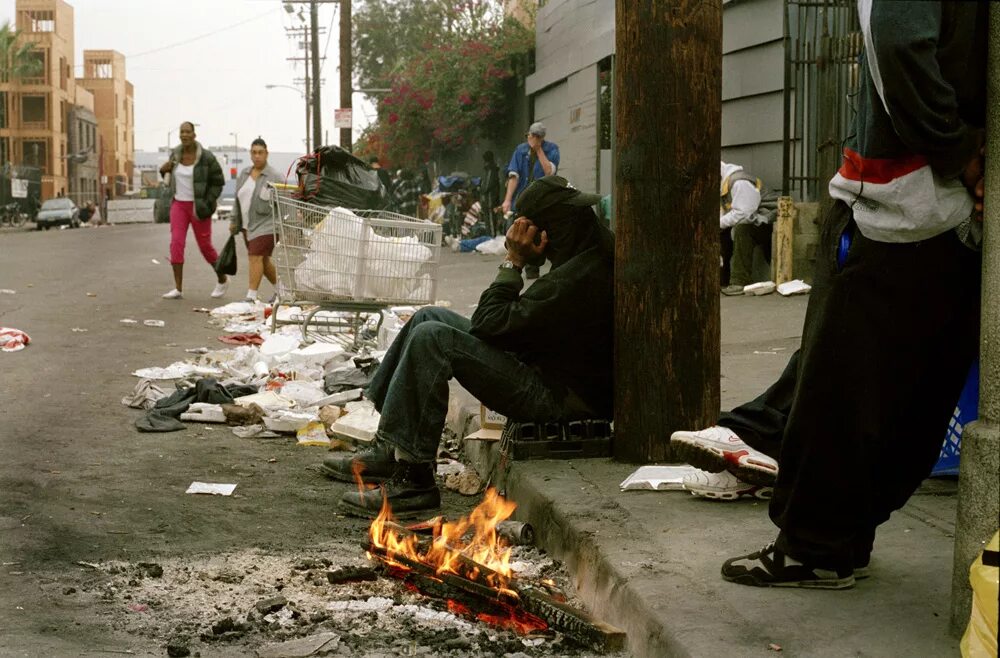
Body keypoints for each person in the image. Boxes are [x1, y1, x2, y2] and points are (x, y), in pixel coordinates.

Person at [672, 0, 986, 590]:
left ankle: (815, 543)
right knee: (902, 391)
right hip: (936, 207)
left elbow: (896, 41)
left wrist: (956, 149)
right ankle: (823, 524)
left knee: (842, 386)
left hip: (904, 205)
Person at [322, 175, 613, 518]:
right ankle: (389, 447)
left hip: (557, 399)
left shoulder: (576, 278)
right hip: (547, 371)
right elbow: (502, 326)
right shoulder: (586, 255)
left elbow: (489, 323)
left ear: (543, 233)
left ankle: (414, 483)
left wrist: (514, 261)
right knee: (427, 317)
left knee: (434, 339)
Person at [159, 121, 228, 300]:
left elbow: (218, 182)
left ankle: (222, 279)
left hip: (199, 207)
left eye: (188, 132)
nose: (184, 135)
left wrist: (208, 201)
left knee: (205, 246)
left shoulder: (206, 157)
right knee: (176, 243)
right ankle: (178, 289)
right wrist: (162, 170)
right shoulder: (175, 154)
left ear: (194, 135)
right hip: (179, 204)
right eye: (182, 132)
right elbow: (167, 177)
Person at [502, 122, 560, 279]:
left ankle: (544, 269)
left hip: (543, 199)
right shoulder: (520, 150)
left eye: (534, 136)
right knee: (522, 231)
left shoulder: (552, 149)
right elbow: (514, 176)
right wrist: (507, 200)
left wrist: (538, 149)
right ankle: (526, 269)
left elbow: (549, 172)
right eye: (529, 135)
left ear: (540, 138)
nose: (530, 138)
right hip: (523, 199)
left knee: (543, 234)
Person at [229, 137, 281, 304]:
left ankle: (251, 296)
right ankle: (283, 290)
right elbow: (237, 199)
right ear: (250, 154)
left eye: (260, 152)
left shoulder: (274, 176)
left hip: (267, 224)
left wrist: (290, 228)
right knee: (263, 260)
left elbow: (285, 203)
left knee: (255, 256)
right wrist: (233, 220)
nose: (257, 156)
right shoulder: (244, 174)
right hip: (247, 226)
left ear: (267, 154)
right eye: (254, 152)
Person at [719, 162, 776, 295]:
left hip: (771, 219)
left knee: (742, 229)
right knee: (724, 230)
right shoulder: (723, 184)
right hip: (756, 219)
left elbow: (745, 213)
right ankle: (722, 279)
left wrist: (719, 223)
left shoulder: (739, 182)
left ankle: (740, 281)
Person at [481, 150, 502, 236]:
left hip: (490, 199)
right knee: (490, 219)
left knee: (490, 219)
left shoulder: (491, 169)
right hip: (490, 199)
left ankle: (491, 238)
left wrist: (481, 189)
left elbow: (487, 185)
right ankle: (490, 237)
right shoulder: (491, 169)